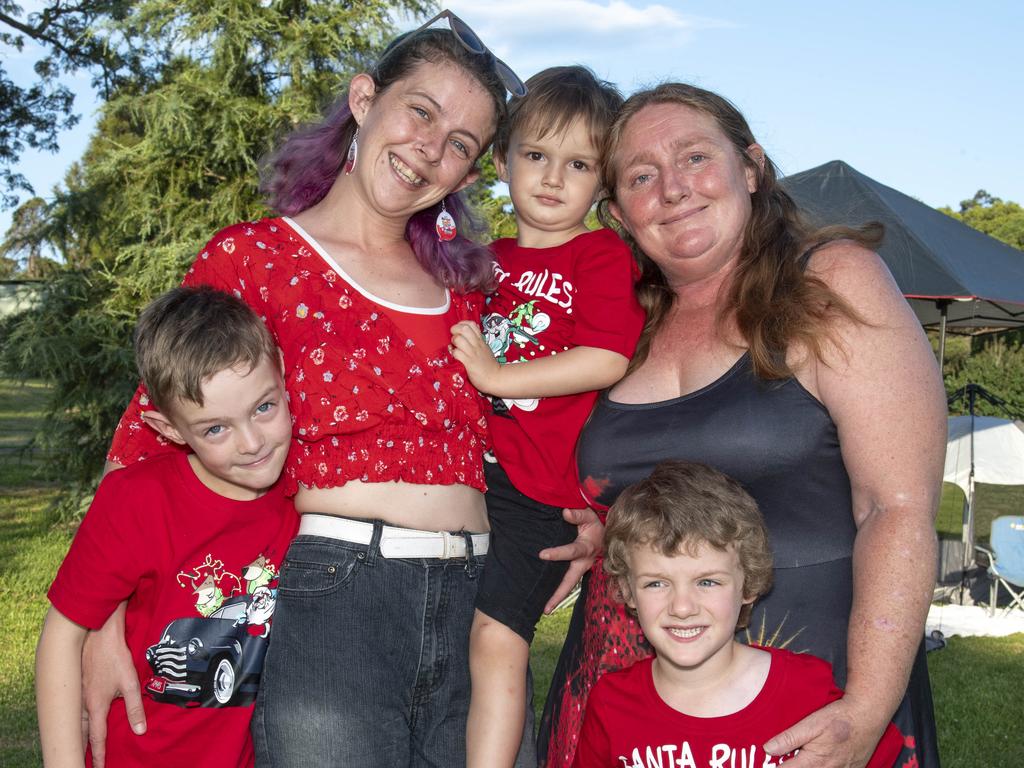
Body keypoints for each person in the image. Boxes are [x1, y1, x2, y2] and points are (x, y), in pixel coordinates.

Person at [81, 12, 538, 768]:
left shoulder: (465, 288)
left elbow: (530, 432)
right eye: (420, 111)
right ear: (364, 98)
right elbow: (142, 445)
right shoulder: (253, 259)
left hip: (478, 613)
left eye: (461, 144)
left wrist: (575, 525)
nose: (431, 149)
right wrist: (99, 629)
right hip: (335, 606)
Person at [539, 83, 947, 768]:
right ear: (617, 214)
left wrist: (868, 708)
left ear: (751, 167)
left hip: (812, 680)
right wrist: (592, 522)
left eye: (696, 157)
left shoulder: (831, 282)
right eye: (642, 176)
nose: (673, 188)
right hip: (623, 688)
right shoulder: (615, 323)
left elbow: (896, 507)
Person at [449, 65, 644, 768]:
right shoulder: (484, 260)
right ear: (500, 161)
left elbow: (605, 358)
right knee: (454, 637)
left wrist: (498, 375)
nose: (553, 179)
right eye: (535, 156)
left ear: (603, 183)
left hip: (538, 493)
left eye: (579, 164)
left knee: (498, 636)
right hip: (469, 479)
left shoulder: (598, 256)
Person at [36, 286, 297, 767]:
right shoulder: (138, 500)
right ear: (169, 430)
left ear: (281, 370)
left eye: (264, 407)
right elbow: (62, 636)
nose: (253, 443)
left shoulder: (303, 494)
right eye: (215, 428)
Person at [572, 460, 905, 768]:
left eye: (707, 581)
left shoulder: (807, 690)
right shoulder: (611, 703)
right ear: (628, 591)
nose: (683, 607)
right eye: (657, 583)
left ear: (749, 584)